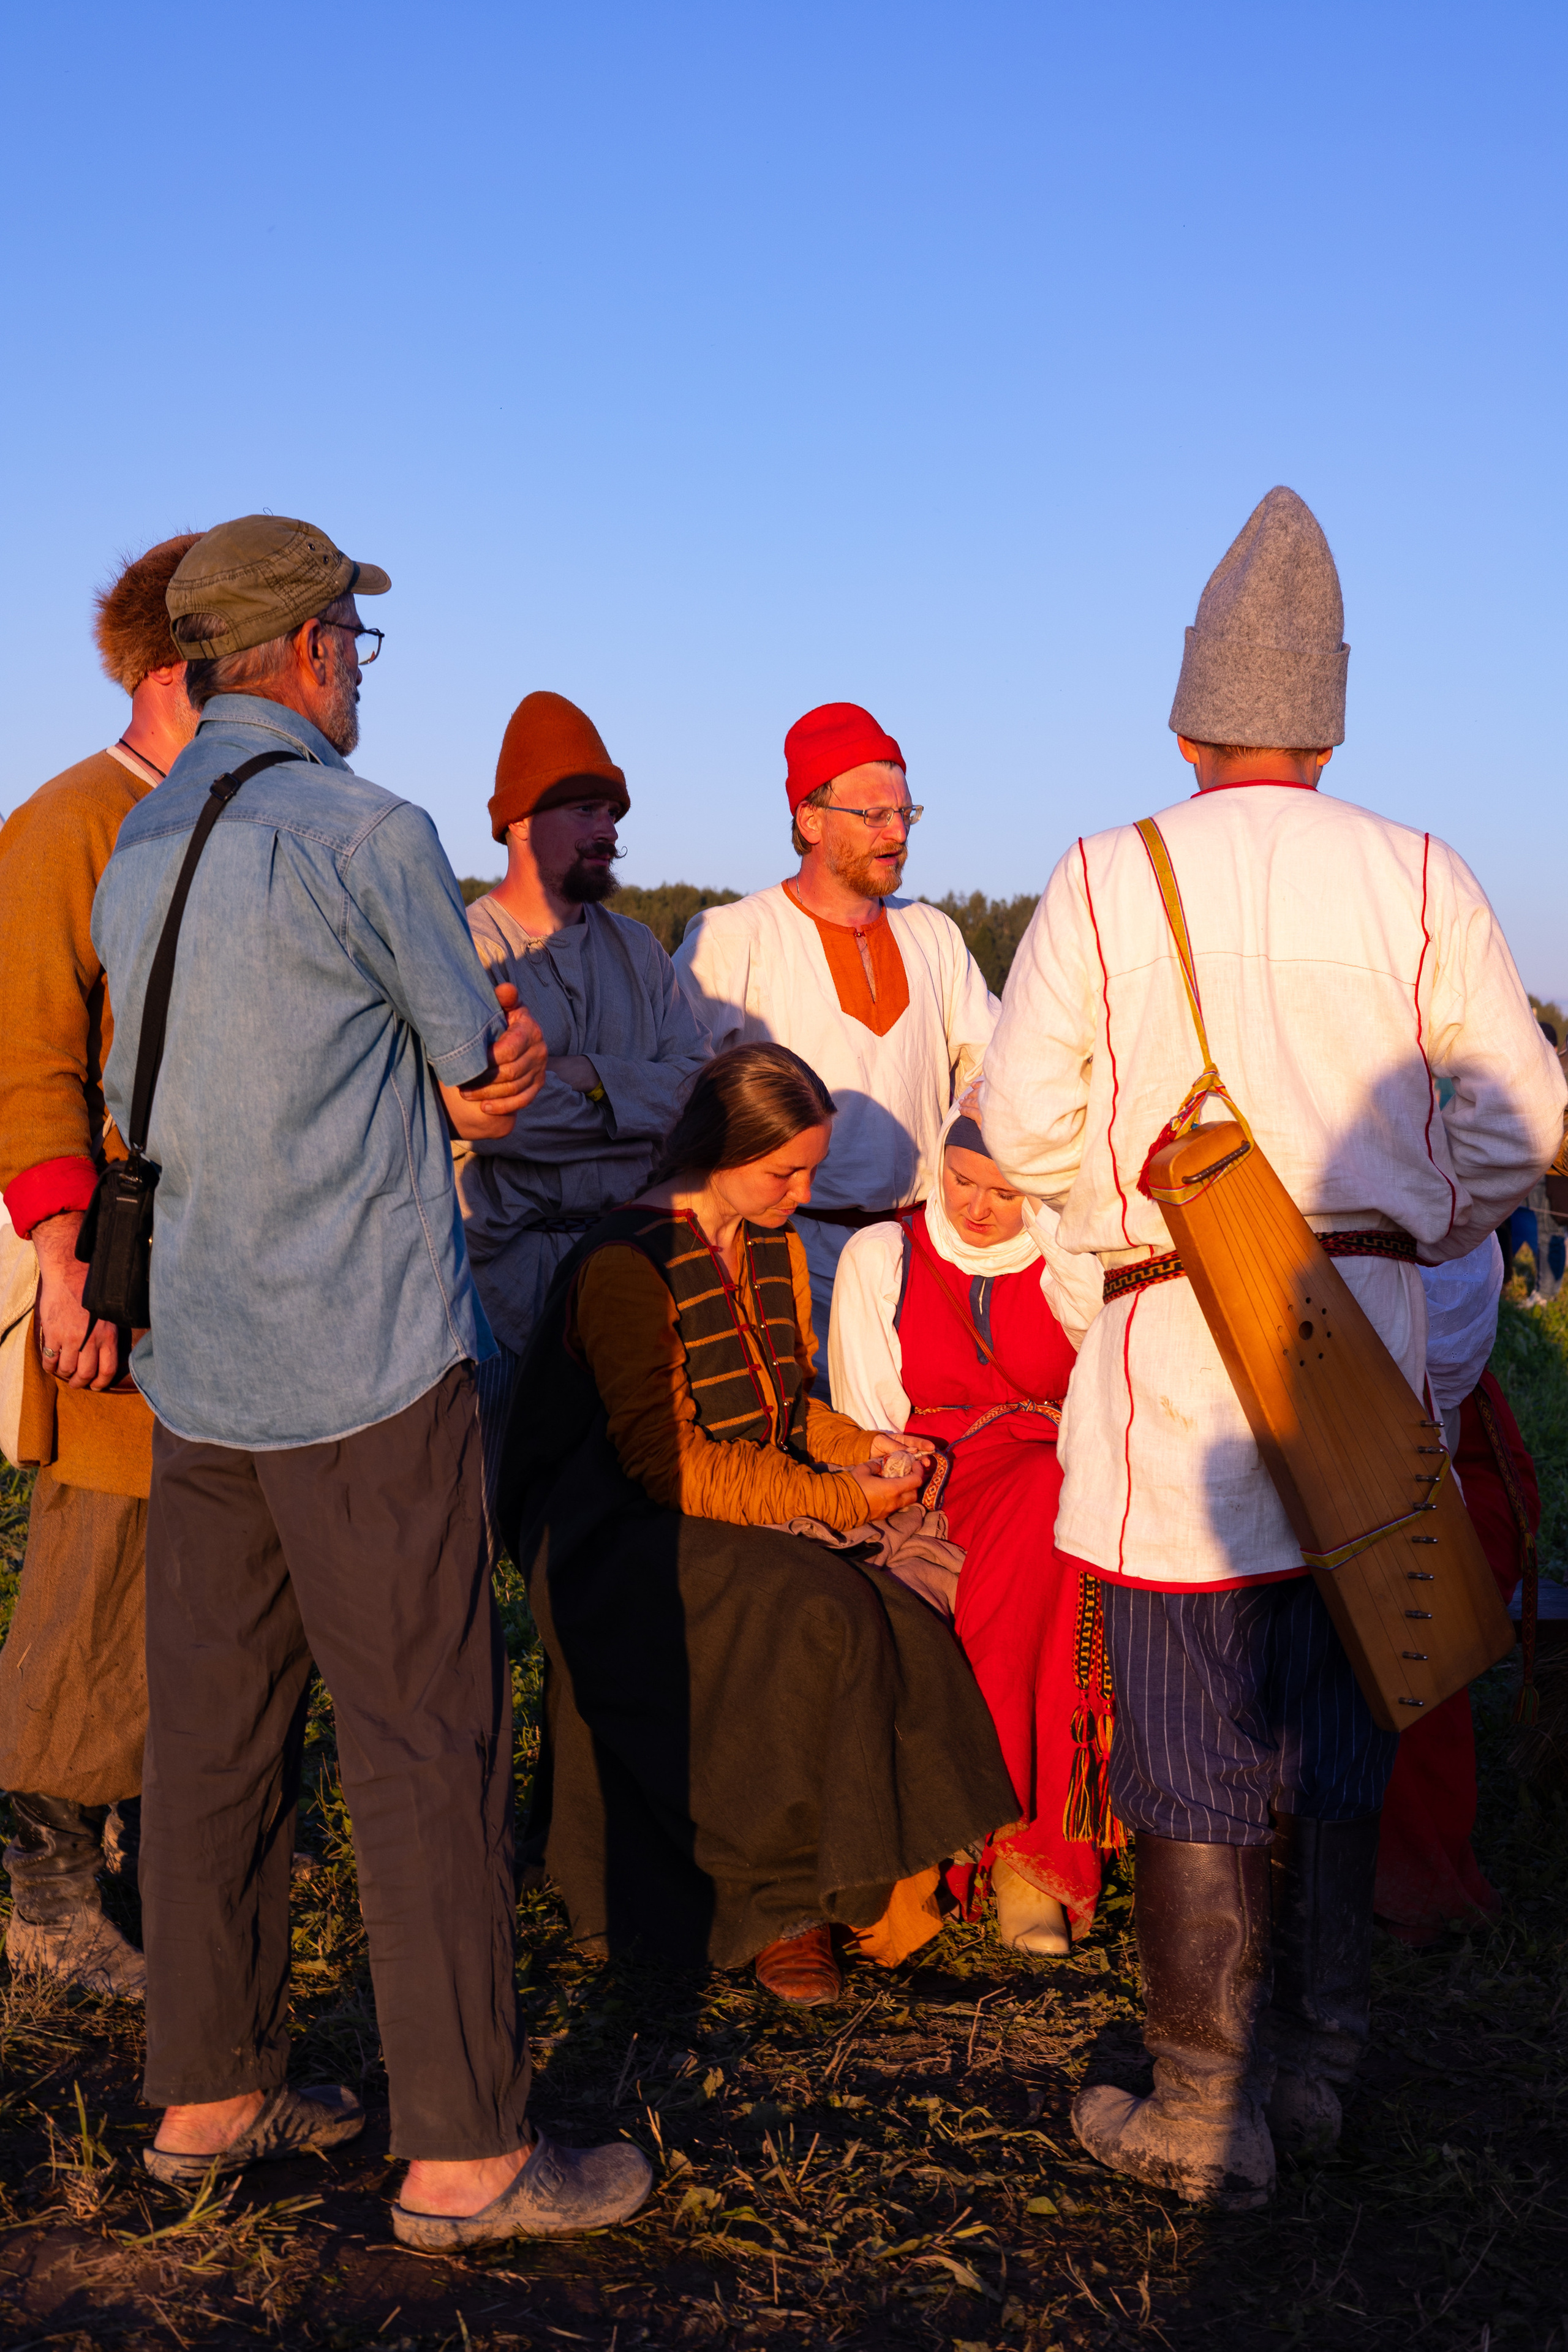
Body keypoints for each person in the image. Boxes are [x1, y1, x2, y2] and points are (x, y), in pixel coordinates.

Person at [981, 486, 1568, 2207]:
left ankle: (1200, 2110)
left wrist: (1123, 1237)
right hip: (1369, 1361)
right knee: (1340, 1723)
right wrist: (1422, 1225)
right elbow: (1530, 1117)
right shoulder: (1420, 873)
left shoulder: (1106, 874)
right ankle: (1314, 2070)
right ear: (1328, 722)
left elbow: (1019, 1133)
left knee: (1188, 1745)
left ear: (1186, 716)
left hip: (1180, 1374)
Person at [91, 513, 650, 2252]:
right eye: (357, 641)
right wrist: (496, 1068)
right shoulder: (370, 832)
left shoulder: (140, 845)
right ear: (316, 648)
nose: (359, 670)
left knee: (213, 1743)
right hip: (370, 1368)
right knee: (423, 1744)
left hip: (199, 1368)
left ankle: (212, 2091)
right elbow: (480, 1063)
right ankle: (472, 2156)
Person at [496, 1042, 1019, 2006]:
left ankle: (868, 1886)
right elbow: (668, 1462)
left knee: (891, 1607)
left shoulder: (772, 1244)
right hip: (614, 1529)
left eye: (812, 1169)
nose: (802, 1190)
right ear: (719, 1150)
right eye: (786, 1170)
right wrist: (833, 1499)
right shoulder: (626, 1262)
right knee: (819, 1610)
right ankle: (780, 1907)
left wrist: (861, 1448)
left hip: (726, 1492)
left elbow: (780, 1407)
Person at [0, 530, 204, 1997]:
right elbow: (27, 1054)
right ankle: (42, 1880)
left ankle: (149, 1844)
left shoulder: (221, 818)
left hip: (224, 1256)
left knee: (184, 1558)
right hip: (116, 1252)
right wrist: (69, 1259)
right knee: (101, 1553)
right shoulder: (75, 818)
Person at [829, 1096, 1113, 1958]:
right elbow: (864, 1422)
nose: (977, 1207)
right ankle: (1017, 1851)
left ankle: (1019, 1850)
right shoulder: (885, 1256)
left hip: (1058, 1466)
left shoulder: (1071, 1259)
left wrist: (1065, 1241)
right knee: (1046, 1512)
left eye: (1004, 1191)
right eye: (960, 1181)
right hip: (931, 1481)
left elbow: (1103, 1373)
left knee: (1061, 1520)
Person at [457, 690, 710, 1548]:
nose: (607, 829)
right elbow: (499, 1118)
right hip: (508, 1279)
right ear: (521, 821)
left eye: (612, 811)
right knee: (496, 1516)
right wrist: (628, 1100)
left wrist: (586, 1075)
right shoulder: (468, 951)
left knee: (623, 1515)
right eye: (584, 809)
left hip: (627, 1262)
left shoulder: (638, 950)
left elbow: (696, 1095)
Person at [674, 702, 998, 1363]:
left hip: (923, 1254)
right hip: (784, 1256)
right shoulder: (737, 935)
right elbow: (675, 1084)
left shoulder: (931, 933)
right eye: (874, 815)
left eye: (904, 814)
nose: (896, 832)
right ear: (811, 820)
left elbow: (994, 1067)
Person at [1374, 1239, 1540, 1939]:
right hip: (1307, 1432)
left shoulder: (1441, 1214)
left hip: (1442, 1455)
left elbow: (1433, 1355)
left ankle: (1408, 1874)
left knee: (1403, 1600)